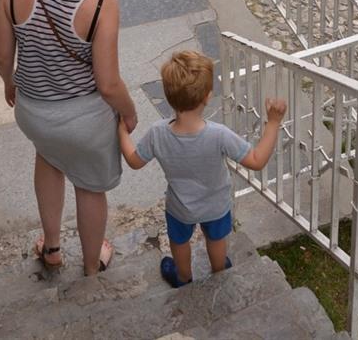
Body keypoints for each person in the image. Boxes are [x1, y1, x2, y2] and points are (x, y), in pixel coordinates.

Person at [0, 0, 137, 276]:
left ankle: (52, 247)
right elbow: (107, 83)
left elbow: (2, 56)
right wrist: (129, 112)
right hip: (83, 121)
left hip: (34, 112)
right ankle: (91, 268)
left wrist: (9, 83)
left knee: (49, 156)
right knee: (90, 186)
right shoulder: (101, 2)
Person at [118, 50, 287, 288]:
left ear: (168, 96)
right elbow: (257, 160)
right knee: (216, 238)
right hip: (216, 205)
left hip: (180, 207)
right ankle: (219, 271)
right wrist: (273, 122)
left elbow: (135, 161)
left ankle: (183, 277)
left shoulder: (157, 133)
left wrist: (122, 133)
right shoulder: (219, 135)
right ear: (207, 97)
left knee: (179, 241)